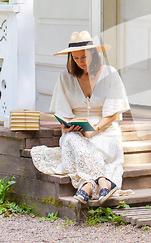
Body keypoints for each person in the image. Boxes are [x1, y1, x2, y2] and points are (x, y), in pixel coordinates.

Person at [31, 31, 131, 204]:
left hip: (105, 130)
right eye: (76, 58)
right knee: (69, 138)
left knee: (92, 147)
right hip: (77, 131)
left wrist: (95, 130)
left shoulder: (110, 73)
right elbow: (62, 113)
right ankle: (102, 181)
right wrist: (68, 127)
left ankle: (87, 184)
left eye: (84, 57)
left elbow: (112, 113)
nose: (81, 62)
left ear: (94, 53)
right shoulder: (65, 77)